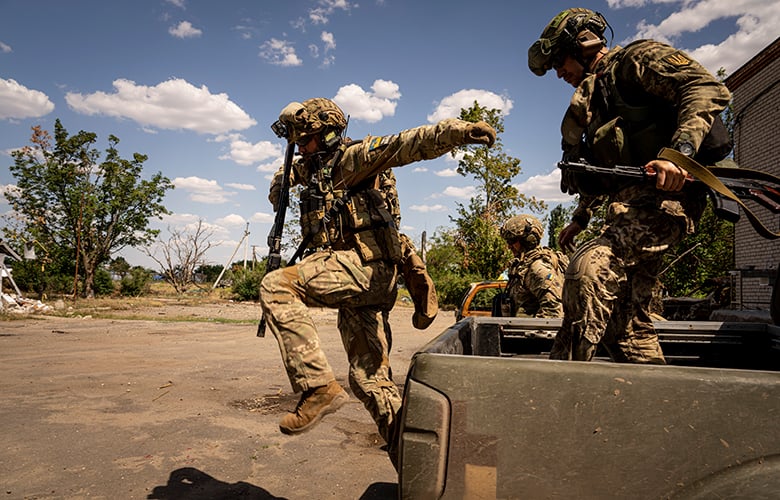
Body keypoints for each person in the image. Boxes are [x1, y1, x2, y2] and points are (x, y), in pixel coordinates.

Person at [260, 97, 495, 464]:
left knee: (276, 285)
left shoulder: (353, 159)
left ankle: (317, 386)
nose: (300, 148)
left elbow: (406, 143)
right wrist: (283, 178)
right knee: (369, 381)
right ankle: (420, 467)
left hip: (368, 270)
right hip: (359, 282)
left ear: (329, 133)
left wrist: (458, 131)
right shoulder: (313, 168)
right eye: (296, 142)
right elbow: (285, 184)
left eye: (305, 140)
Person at [527, 8, 732, 363]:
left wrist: (677, 156)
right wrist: (581, 216)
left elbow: (704, 88)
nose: (559, 72)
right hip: (627, 208)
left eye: (560, 61)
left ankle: (560, 385)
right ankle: (653, 402)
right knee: (626, 325)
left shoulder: (635, 60)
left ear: (584, 44)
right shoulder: (594, 99)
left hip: (667, 202)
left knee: (588, 270)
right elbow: (605, 169)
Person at [499, 214, 568, 318]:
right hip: (520, 331)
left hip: (532, 332)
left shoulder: (538, 268)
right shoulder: (523, 265)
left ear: (528, 239)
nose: (509, 246)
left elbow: (553, 311)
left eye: (512, 241)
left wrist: (532, 331)